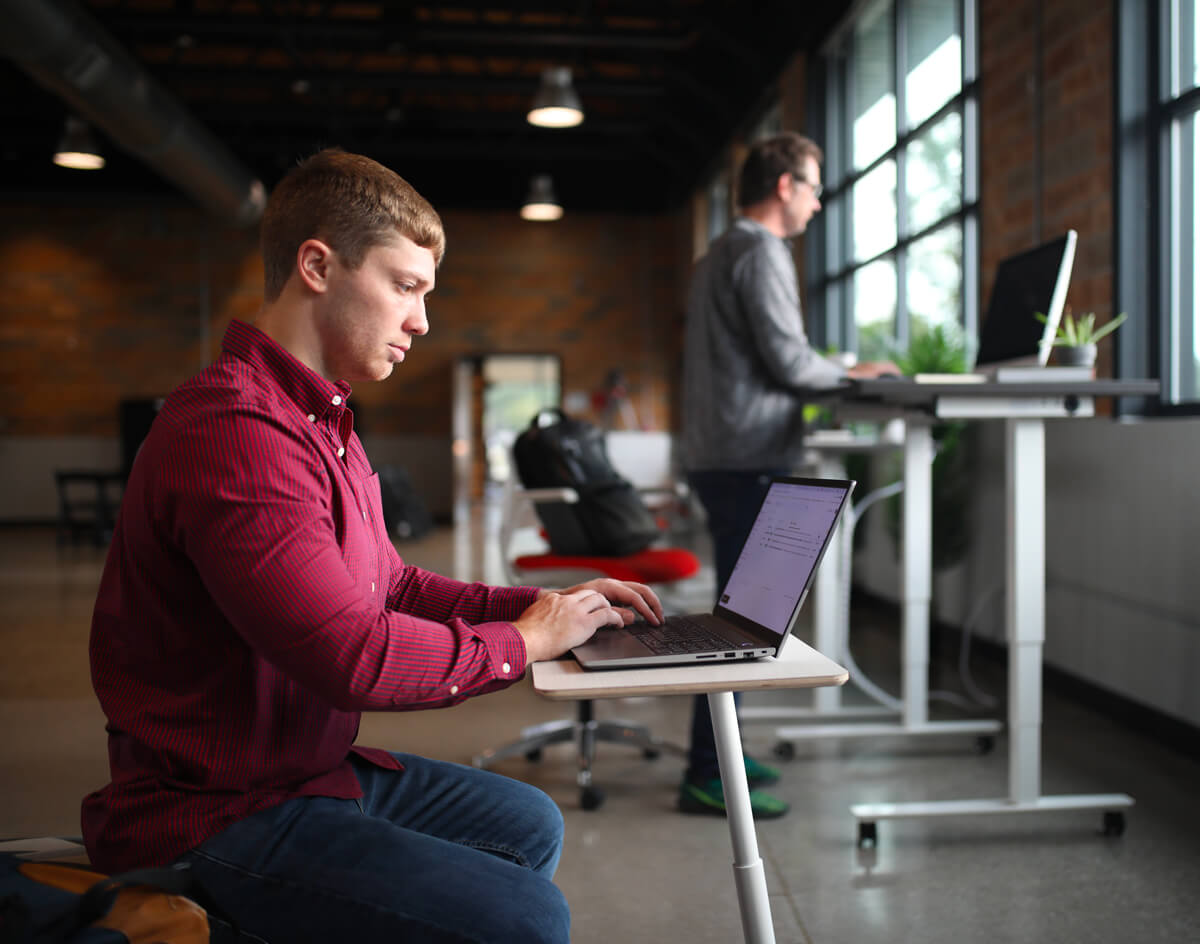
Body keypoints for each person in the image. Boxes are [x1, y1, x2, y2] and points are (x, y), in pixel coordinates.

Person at [82, 148, 665, 944]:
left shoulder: (330, 426)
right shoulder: (235, 430)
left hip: (302, 774)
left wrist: (547, 605)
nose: (422, 320)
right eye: (405, 286)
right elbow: (350, 655)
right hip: (212, 810)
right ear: (317, 265)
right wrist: (524, 644)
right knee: (526, 918)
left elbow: (390, 585)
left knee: (525, 822)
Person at [678, 132, 896, 819]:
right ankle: (708, 772)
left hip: (723, 450)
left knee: (741, 614)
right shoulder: (761, 250)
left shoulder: (719, 251)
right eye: (813, 185)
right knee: (745, 620)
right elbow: (789, 362)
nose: (818, 200)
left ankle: (724, 754)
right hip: (747, 456)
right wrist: (852, 373)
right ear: (784, 186)